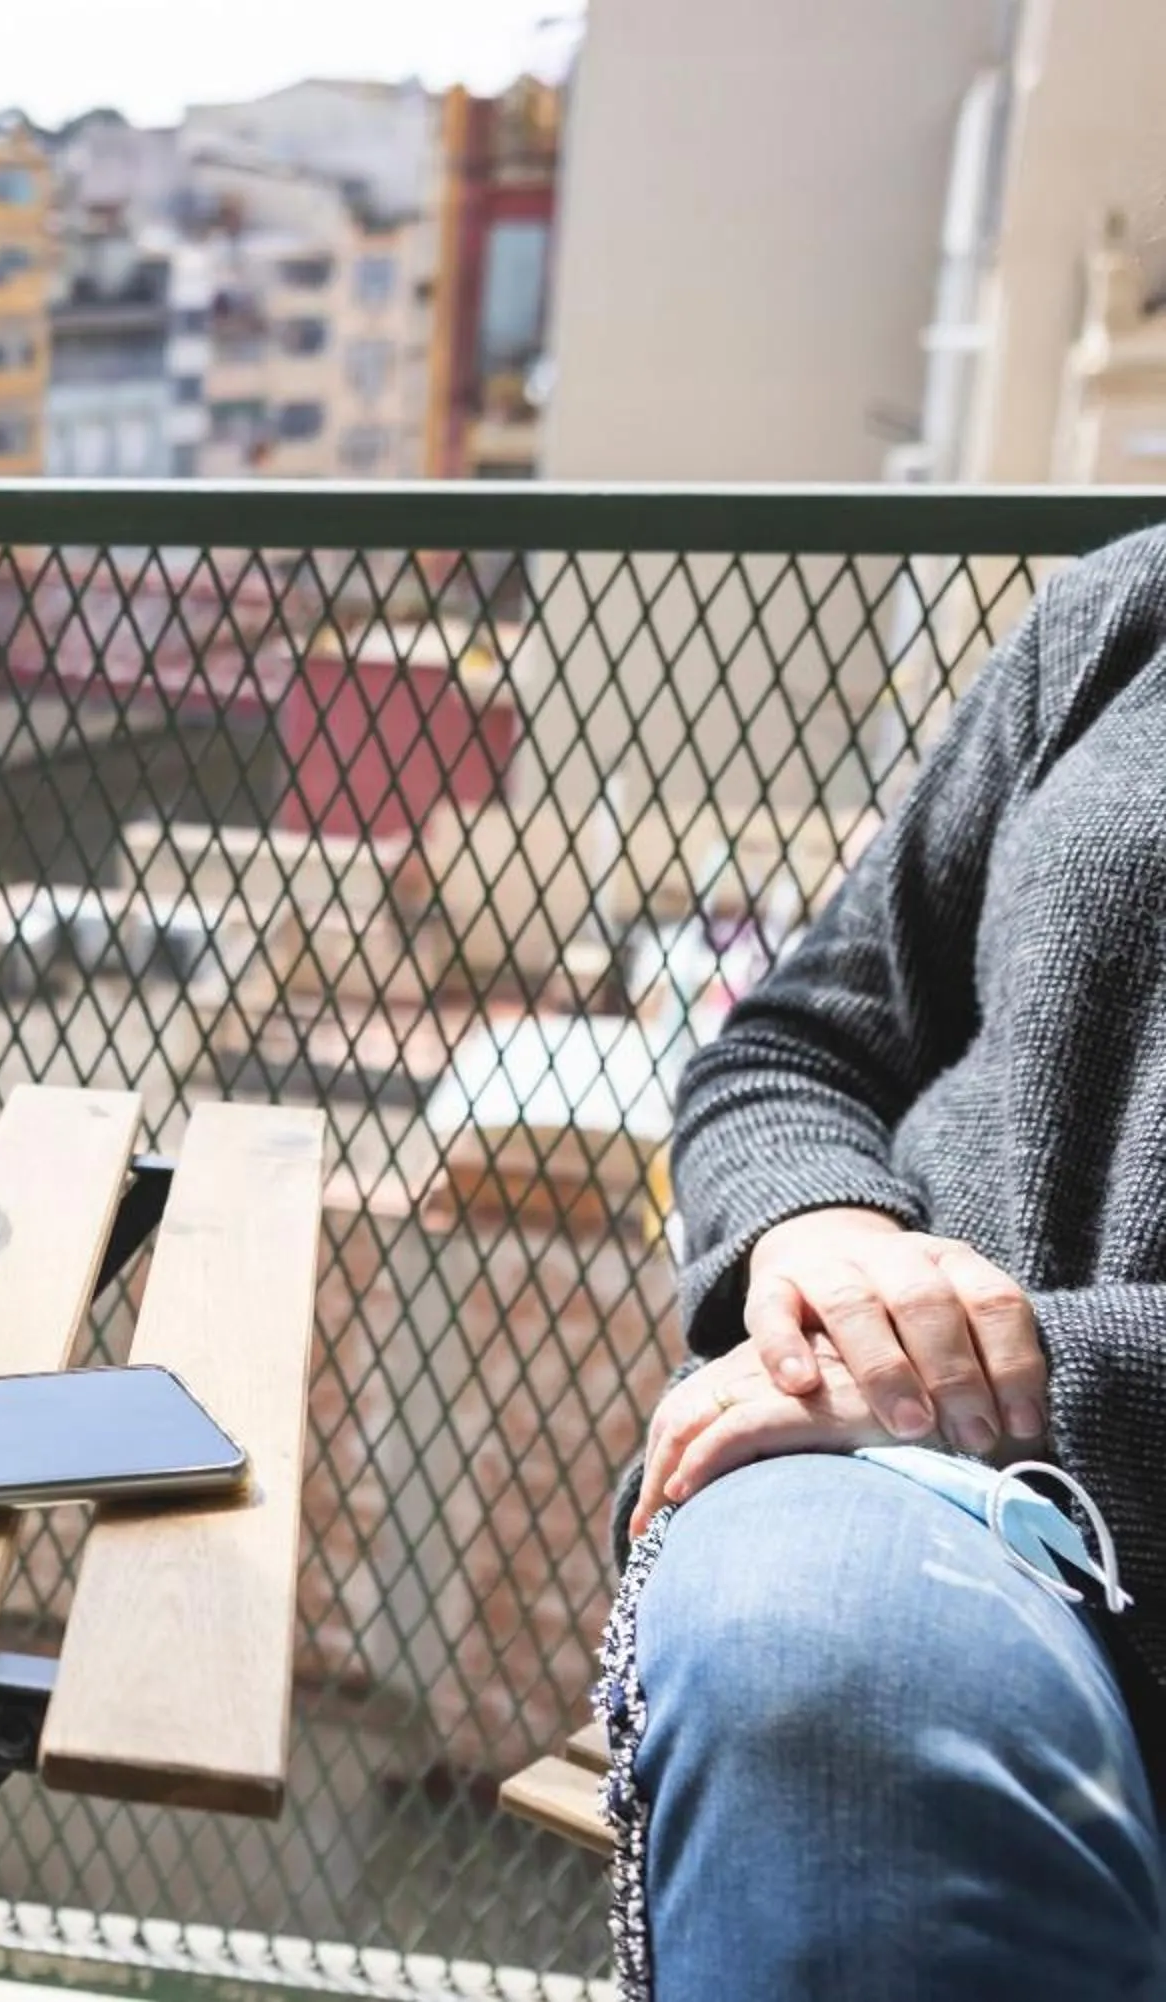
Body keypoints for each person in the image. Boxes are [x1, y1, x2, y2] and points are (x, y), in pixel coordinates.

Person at [608, 528, 1166, 2001]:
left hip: (959, 1446)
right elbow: (795, 1044)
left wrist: (1002, 1372)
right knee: (825, 1670)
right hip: (919, 1501)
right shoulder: (1128, 613)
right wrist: (828, 1237)